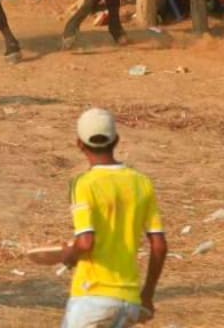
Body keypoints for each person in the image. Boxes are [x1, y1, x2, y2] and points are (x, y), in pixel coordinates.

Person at [58, 108, 166, 328]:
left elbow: (86, 241)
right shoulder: (142, 182)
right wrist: (147, 294)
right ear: (116, 140)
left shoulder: (83, 183)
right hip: (129, 302)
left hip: (92, 297)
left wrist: (70, 255)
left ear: (79, 144)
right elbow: (159, 246)